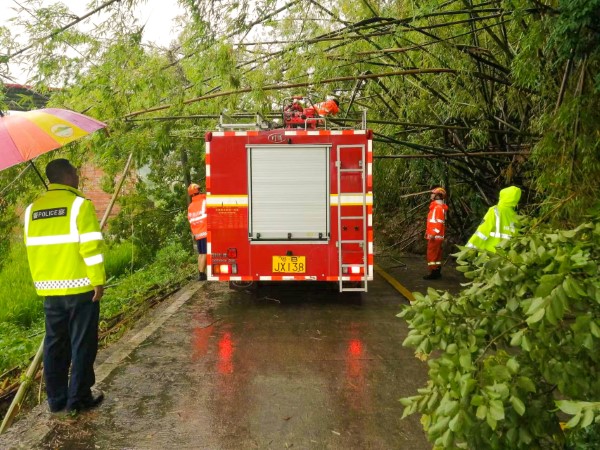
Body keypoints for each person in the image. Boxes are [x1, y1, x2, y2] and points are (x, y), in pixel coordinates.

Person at [23, 159, 106, 413]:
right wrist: (98, 281)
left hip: (50, 289)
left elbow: (35, 250)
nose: (78, 176)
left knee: (55, 344)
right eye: (76, 171)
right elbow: (91, 247)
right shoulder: (80, 205)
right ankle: (79, 399)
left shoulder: (31, 210)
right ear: (68, 175)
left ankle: (56, 400)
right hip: (81, 287)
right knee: (82, 343)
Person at [466, 185, 522, 252]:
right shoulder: (516, 217)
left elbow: (482, 231)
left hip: (489, 254)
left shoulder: (495, 210)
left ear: (502, 196)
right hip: (506, 259)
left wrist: (467, 250)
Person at [423, 187, 448, 280]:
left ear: (438, 196)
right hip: (435, 235)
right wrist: (427, 232)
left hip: (435, 236)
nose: (431, 195)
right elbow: (432, 222)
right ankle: (436, 271)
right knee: (437, 255)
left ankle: (433, 272)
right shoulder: (437, 207)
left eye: (433, 194)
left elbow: (439, 222)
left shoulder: (437, 208)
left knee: (432, 254)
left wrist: (433, 233)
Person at [187, 183, 208, 280]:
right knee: (204, 253)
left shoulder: (190, 206)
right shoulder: (204, 200)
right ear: (198, 190)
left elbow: (190, 220)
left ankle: (200, 273)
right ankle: (202, 274)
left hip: (197, 233)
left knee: (201, 254)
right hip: (205, 230)